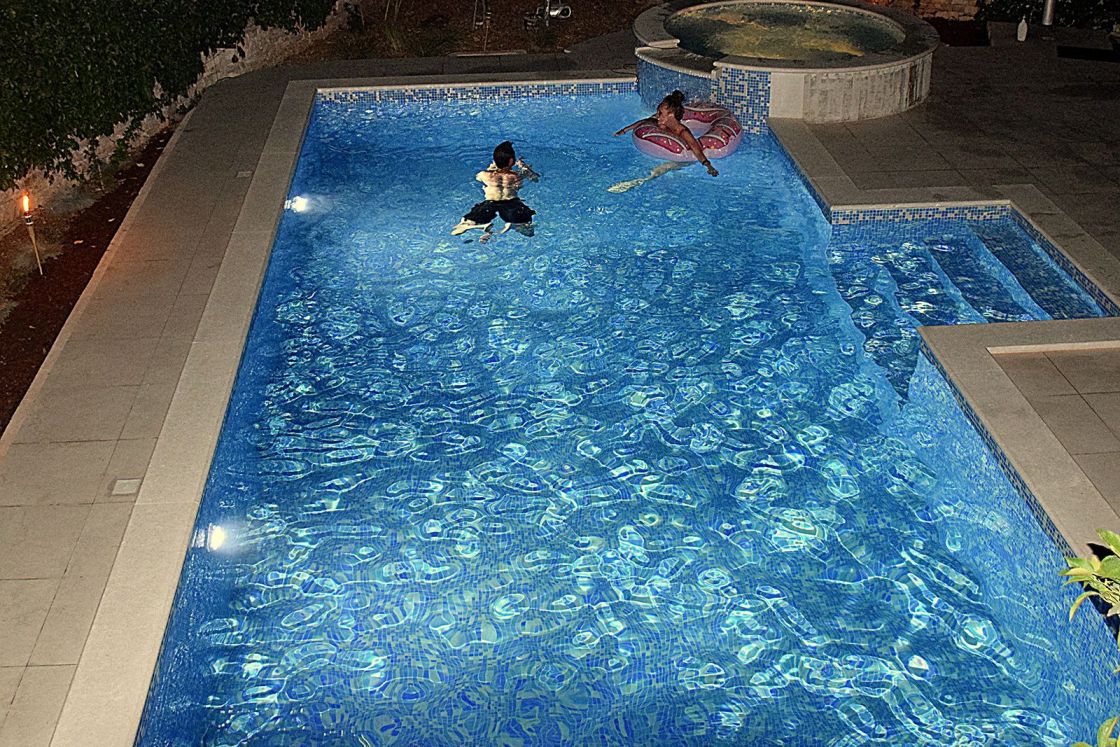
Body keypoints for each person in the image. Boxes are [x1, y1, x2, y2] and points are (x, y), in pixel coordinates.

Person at [614, 90, 720, 178]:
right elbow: (646, 121)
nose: (657, 115)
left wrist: (708, 166)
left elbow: (695, 148)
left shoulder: (682, 131)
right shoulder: (661, 123)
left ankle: (641, 180)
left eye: (660, 113)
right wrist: (624, 130)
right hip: (666, 153)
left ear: (671, 115)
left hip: (684, 159)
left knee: (660, 170)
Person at [452, 141, 540, 241]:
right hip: (511, 203)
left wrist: (493, 167)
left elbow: (478, 178)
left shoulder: (484, 175)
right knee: (529, 230)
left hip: (490, 203)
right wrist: (523, 166)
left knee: (464, 222)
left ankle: (478, 227)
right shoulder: (516, 176)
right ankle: (513, 225)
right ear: (511, 161)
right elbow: (535, 178)